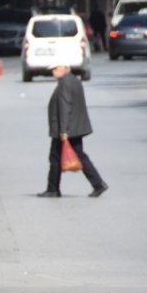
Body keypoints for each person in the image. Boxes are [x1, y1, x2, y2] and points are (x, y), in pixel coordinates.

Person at [38, 63, 108, 198]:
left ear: (64, 68)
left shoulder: (65, 83)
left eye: (55, 69)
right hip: (75, 127)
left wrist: (63, 131)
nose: (53, 72)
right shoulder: (73, 80)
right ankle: (98, 183)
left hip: (67, 129)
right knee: (79, 156)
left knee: (55, 158)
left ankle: (53, 189)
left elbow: (64, 107)